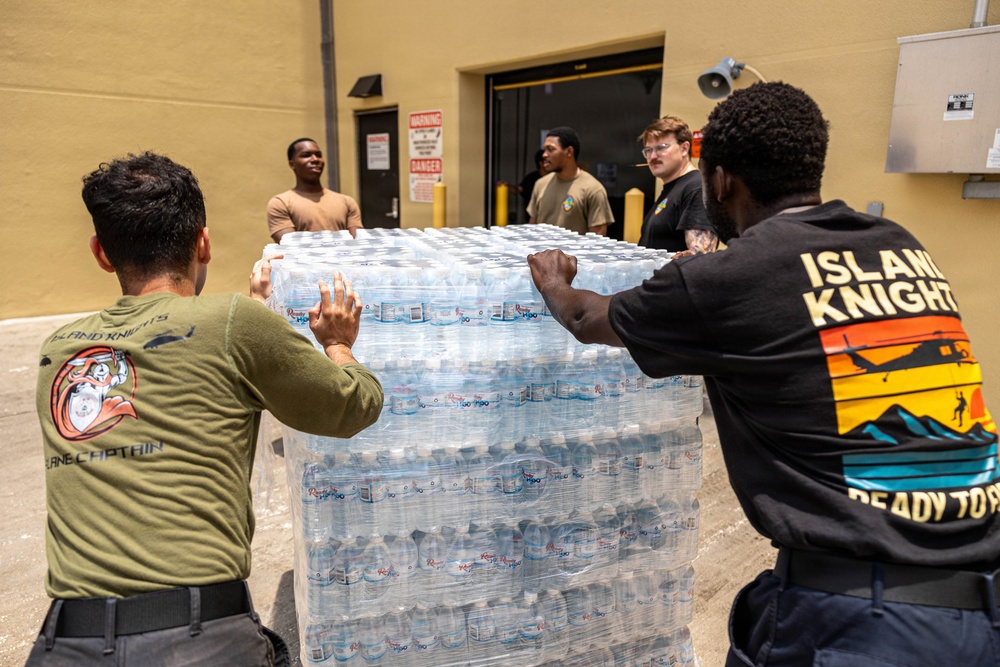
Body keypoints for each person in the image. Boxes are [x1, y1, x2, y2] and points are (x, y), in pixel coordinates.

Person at [528, 82, 1000, 665]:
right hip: (980, 603)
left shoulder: (730, 278)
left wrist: (554, 280)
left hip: (863, 624)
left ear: (722, 180)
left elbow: (584, 317)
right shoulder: (898, 246)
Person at [28, 152, 383, 666]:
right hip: (197, 639)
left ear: (101, 254)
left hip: (66, 643)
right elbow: (354, 405)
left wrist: (255, 318)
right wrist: (338, 343)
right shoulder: (233, 322)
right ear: (203, 243)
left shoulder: (60, 350)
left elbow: (185, 364)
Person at [638, 116, 718, 255]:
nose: (653, 156)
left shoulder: (696, 187)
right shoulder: (672, 188)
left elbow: (699, 257)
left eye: (661, 148)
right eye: (648, 150)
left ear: (684, 148)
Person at [267, 137, 363, 242]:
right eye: (306, 155)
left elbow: (358, 243)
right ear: (292, 164)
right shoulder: (281, 203)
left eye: (318, 155)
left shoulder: (347, 202)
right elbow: (291, 245)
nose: (315, 159)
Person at [528, 127, 615, 236]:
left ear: (569, 152)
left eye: (550, 149)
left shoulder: (593, 189)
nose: (544, 154)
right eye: (544, 149)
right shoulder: (540, 185)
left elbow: (597, 237)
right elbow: (532, 228)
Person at [498, 149, 548, 224]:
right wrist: (506, 185)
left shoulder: (555, 178)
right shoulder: (532, 178)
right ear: (541, 163)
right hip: (534, 219)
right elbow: (517, 190)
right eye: (546, 161)